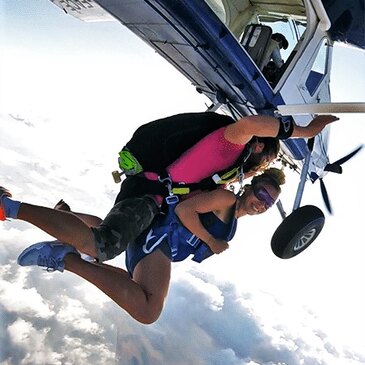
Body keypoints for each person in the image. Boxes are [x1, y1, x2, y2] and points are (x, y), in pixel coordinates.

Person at [0, 114, 338, 263]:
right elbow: (250, 125)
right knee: (100, 246)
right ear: (260, 148)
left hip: (149, 190)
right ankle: (8, 207)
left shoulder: (221, 173)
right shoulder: (231, 146)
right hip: (148, 195)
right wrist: (304, 131)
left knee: (105, 231)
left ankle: (66, 216)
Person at [9, 168, 285, 324]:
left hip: (155, 238)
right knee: (148, 309)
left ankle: (63, 218)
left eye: (269, 202)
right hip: (157, 239)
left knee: (103, 231)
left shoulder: (232, 223)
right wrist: (212, 240)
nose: (262, 203)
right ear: (249, 187)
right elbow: (185, 211)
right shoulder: (225, 200)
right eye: (261, 193)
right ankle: (67, 258)